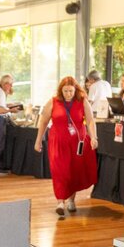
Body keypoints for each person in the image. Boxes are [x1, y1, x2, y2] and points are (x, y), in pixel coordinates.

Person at [34, 76, 99, 217]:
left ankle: (71, 200)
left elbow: (90, 121)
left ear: (75, 90)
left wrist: (93, 137)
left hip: (77, 143)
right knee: (59, 171)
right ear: (60, 90)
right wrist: (38, 140)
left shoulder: (82, 101)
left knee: (72, 171)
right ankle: (60, 202)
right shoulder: (53, 102)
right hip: (57, 143)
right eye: (65, 91)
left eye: (71, 91)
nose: (68, 94)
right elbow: (43, 121)